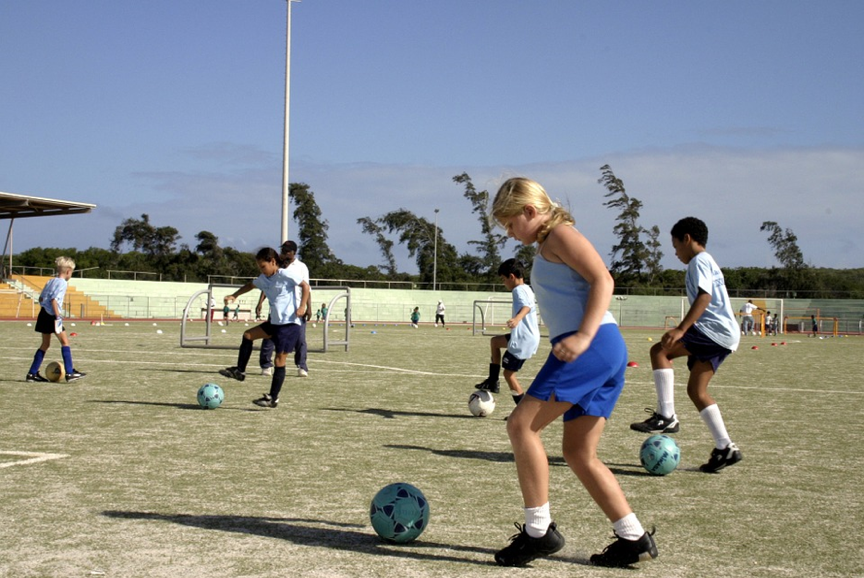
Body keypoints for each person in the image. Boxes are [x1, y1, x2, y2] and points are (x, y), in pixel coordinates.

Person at [489, 177, 657, 568]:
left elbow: (604, 279)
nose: (512, 234)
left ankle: (538, 531)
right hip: (603, 348)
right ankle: (634, 538)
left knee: (520, 427)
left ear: (530, 212)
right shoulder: (548, 244)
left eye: (512, 224)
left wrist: (582, 336)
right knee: (579, 452)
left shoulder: (559, 236)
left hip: (590, 346)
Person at [630, 217, 743, 475]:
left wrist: (681, 329)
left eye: (675, 245)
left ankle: (666, 416)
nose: (675, 252)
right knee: (696, 391)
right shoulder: (707, 261)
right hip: (725, 335)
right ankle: (725, 447)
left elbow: (705, 296)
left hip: (713, 331)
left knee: (660, 350)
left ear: (687, 238)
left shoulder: (699, 261)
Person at [219, 247, 309, 408]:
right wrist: (235, 295)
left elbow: (305, 286)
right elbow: (250, 285)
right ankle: (240, 370)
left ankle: (272, 398)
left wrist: (302, 306)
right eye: (259, 267)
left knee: (279, 360)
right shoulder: (263, 278)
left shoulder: (285, 274)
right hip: (274, 323)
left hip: (289, 325)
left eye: (263, 266)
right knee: (248, 335)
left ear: (273, 262)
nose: (261, 270)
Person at [475, 259, 540, 409]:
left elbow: (527, 307)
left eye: (504, 280)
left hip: (523, 339)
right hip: (526, 337)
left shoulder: (518, 290)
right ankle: (492, 381)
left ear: (511, 276)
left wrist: (517, 319)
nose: (504, 283)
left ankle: (521, 411)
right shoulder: (527, 288)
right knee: (495, 342)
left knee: (509, 374)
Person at [26, 256, 86, 383]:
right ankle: (69, 372)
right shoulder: (62, 283)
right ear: (68, 271)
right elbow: (54, 300)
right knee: (65, 342)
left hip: (43, 313)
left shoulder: (50, 281)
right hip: (52, 315)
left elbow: (41, 299)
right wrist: (58, 316)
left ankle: (32, 373)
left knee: (45, 344)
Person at [257, 241, 311, 378]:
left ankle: (301, 366)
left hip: (296, 310)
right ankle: (266, 365)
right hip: (277, 309)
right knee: (269, 338)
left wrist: (306, 307)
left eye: (288, 251)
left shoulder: (301, 267)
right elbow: (267, 284)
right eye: (283, 251)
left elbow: (306, 287)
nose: (285, 254)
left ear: (294, 253)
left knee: (300, 339)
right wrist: (260, 302)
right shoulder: (276, 264)